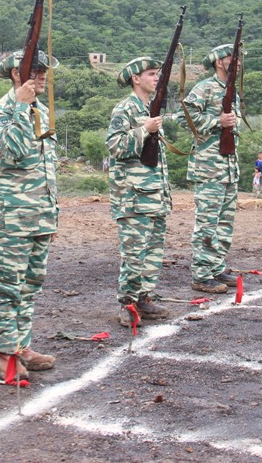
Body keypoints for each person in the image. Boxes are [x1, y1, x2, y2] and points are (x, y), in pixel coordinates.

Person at [0, 49, 60, 380]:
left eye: (45, 70)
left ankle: (21, 345)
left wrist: (51, 211)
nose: (43, 75)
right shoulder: (2, 112)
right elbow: (13, 150)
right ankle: (3, 353)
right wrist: (18, 105)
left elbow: (48, 166)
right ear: (18, 75)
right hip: (11, 217)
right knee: (7, 287)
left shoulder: (39, 110)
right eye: (37, 70)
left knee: (30, 285)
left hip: (38, 214)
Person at [106, 57, 172, 327]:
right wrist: (144, 129)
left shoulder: (149, 107)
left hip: (154, 193)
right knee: (134, 253)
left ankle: (143, 297)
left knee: (153, 250)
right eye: (151, 74)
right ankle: (128, 303)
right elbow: (115, 146)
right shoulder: (125, 109)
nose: (155, 78)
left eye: (157, 74)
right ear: (136, 78)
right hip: (133, 195)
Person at [182, 44, 241, 295]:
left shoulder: (231, 90)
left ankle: (217, 266)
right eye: (232, 59)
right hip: (209, 167)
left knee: (224, 222)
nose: (237, 63)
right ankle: (202, 273)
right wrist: (217, 121)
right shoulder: (204, 88)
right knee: (207, 223)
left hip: (228, 166)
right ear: (219, 62)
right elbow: (184, 117)